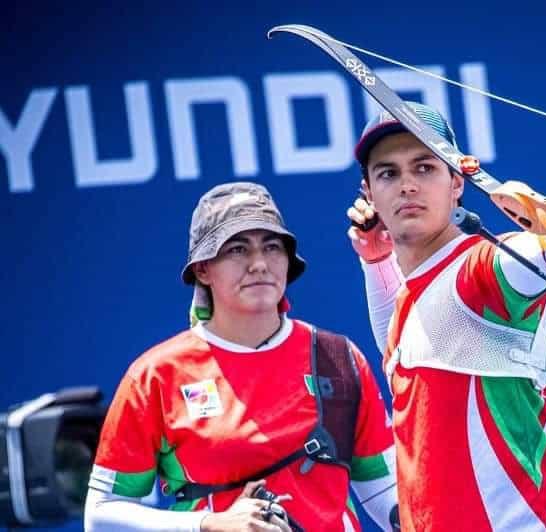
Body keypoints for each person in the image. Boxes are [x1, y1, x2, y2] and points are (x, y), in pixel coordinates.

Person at [346, 102, 546, 531]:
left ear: (457, 182)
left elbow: (544, 247)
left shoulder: (479, 272)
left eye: (424, 168)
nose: (407, 185)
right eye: (388, 173)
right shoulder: (417, 295)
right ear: (368, 192)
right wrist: (376, 261)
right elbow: (402, 343)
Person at [85, 182, 399, 532]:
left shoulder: (338, 359)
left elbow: (383, 489)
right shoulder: (155, 376)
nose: (259, 264)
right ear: (203, 269)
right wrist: (208, 524)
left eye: (272, 247)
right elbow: (102, 516)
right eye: (236, 250)